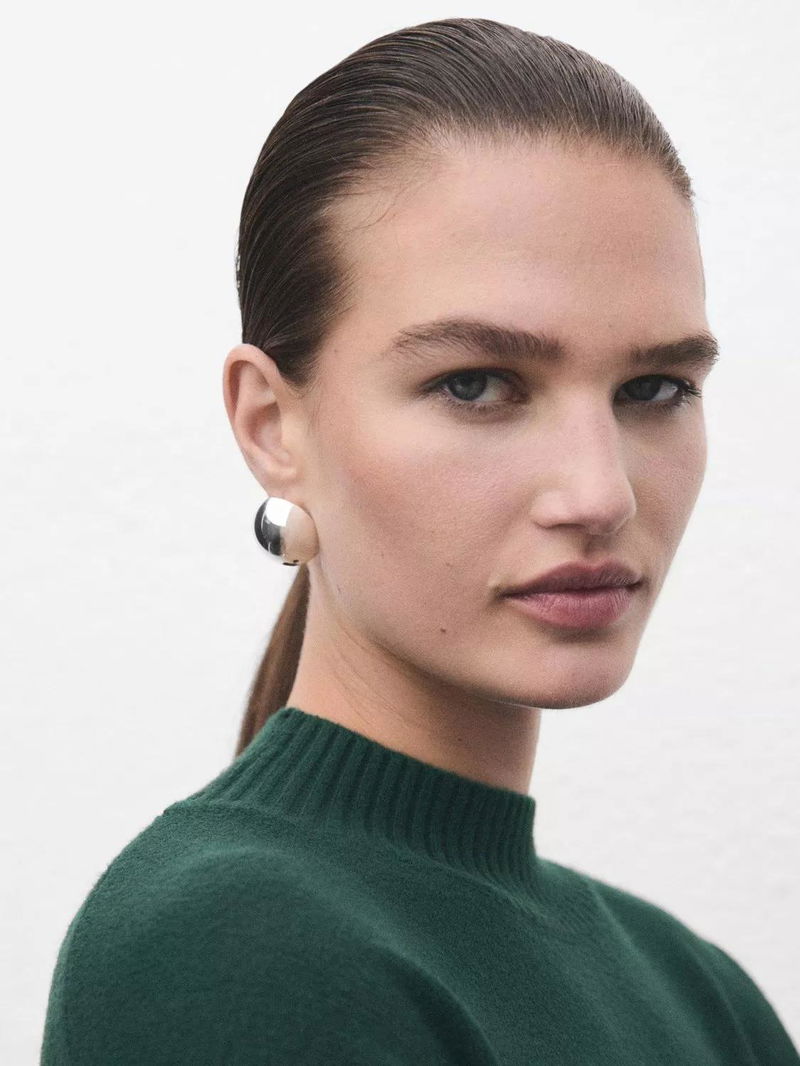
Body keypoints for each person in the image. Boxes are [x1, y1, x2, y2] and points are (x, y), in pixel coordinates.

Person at [40, 17, 799, 1065]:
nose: (600, 493)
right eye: (476, 385)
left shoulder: (699, 995)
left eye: (654, 388)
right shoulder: (235, 951)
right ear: (272, 426)